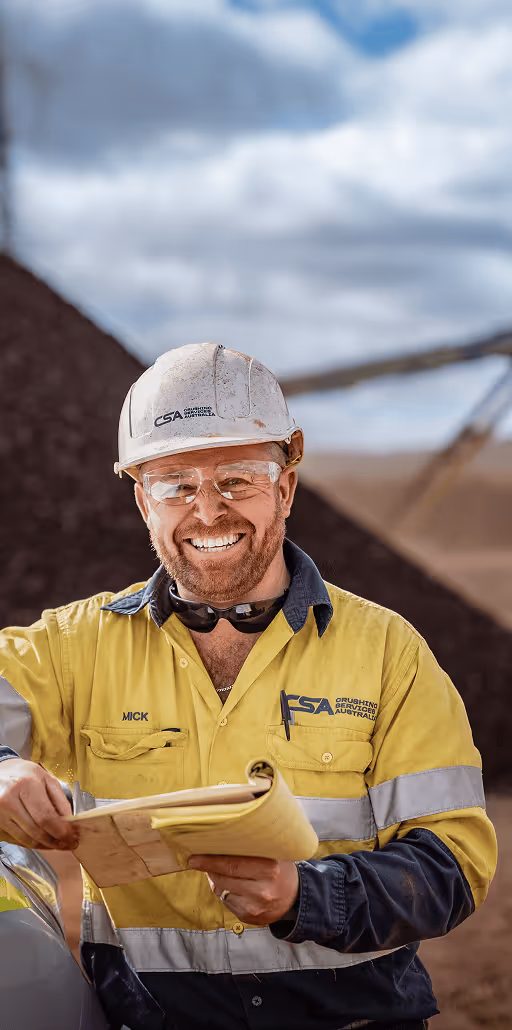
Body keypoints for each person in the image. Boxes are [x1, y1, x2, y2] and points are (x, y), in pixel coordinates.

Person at [0, 342, 497, 1030]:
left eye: (237, 479)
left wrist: (306, 897)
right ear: (143, 500)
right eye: (175, 484)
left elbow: (453, 864)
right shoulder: (72, 648)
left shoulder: (388, 652)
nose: (207, 512)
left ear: (285, 487)